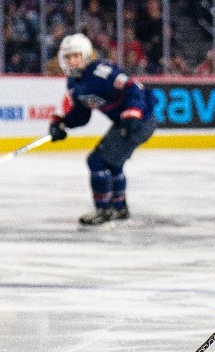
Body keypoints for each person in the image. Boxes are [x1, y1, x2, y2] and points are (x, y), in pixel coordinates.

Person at [48, 33, 156, 226]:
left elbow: (134, 88)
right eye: (68, 57)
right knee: (113, 164)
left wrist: (133, 113)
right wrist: (64, 123)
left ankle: (104, 210)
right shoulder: (74, 83)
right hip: (125, 122)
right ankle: (119, 208)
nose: (72, 61)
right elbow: (82, 113)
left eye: (76, 56)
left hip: (140, 121)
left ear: (87, 54)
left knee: (96, 161)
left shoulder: (101, 71)